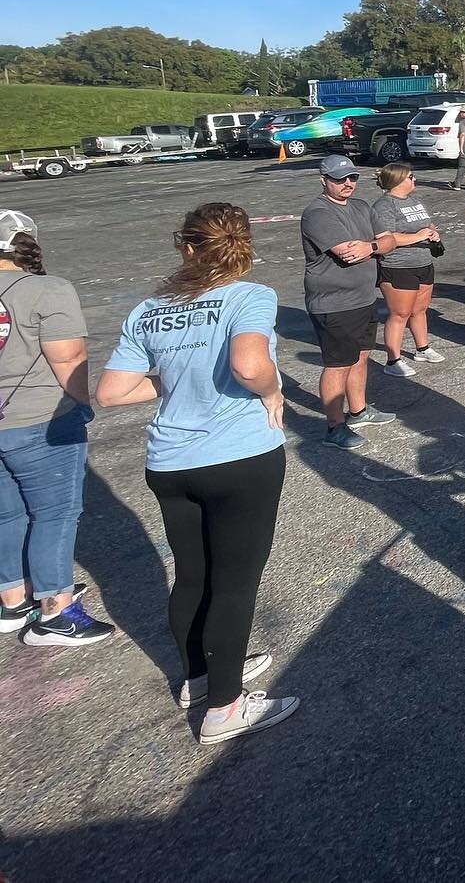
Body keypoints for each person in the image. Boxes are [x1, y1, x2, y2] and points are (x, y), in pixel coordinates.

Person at [97, 203, 298, 743]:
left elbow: (112, 391)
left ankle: (203, 676)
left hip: (169, 465)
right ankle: (224, 708)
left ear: (186, 246)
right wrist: (273, 389)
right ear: (244, 246)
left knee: (193, 576)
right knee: (234, 584)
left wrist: (174, 385)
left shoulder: (148, 309)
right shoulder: (248, 295)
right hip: (238, 459)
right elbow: (249, 365)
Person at [0, 210, 113, 647]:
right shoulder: (48, 289)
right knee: (54, 514)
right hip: (41, 418)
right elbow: (67, 358)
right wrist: (81, 404)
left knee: (7, 514)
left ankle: (14, 598)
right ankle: (55, 610)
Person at [300, 154, 398, 449]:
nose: (347, 184)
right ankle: (334, 426)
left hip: (364, 297)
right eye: (339, 179)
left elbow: (389, 241)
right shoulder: (317, 213)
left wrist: (371, 246)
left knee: (361, 357)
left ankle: (358, 410)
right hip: (334, 303)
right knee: (338, 364)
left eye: (352, 178)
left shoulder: (361, 206)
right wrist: (377, 246)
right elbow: (346, 252)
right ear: (324, 180)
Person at [369, 163, 444, 377]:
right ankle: (393, 360)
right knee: (400, 314)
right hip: (398, 265)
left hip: (423, 262)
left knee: (420, 310)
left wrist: (432, 233)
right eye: (411, 176)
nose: (414, 179)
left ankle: (423, 348)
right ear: (398, 180)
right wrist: (418, 236)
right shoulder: (384, 206)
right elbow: (385, 237)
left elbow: (428, 224)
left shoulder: (415, 200)